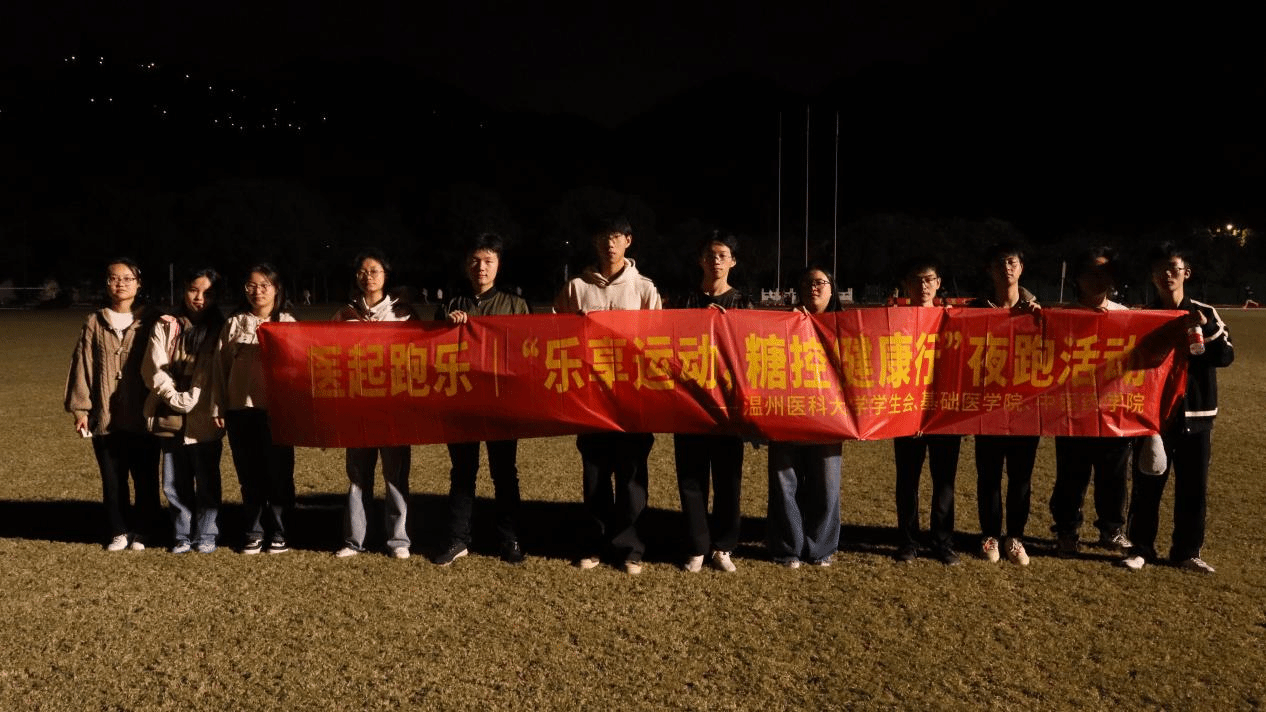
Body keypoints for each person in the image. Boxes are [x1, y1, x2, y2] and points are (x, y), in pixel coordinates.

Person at [554, 215, 662, 574]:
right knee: (596, 474)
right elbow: (554, 334)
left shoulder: (644, 288)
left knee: (632, 475)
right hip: (591, 398)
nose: (609, 243)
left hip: (631, 398)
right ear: (595, 242)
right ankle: (595, 542)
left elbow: (658, 342)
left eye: (616, 236)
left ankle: (630, 547)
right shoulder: (576, 288)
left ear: (628, 241)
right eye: (603, 236)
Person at [1122, 242, 1233, 573]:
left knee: (1193, 488)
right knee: (1147, 485)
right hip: (1153, 416)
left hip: (1196, 416)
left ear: (1186, 273)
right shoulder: (1145, 316)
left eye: (1173, 268)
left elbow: (1226, 356)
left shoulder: (1204, 312)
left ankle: (1187, 551)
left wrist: (1205, 329)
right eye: (1160, 269)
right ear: (1152, 276)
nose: (1167, 274)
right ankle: (1141, 548)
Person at [432, 233, 532, 566]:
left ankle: (510, 538)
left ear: (499, 265)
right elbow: (431, 351)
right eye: (475, 261)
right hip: (462, 401)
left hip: (502, 401)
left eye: (488, 261)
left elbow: (528, 350)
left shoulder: (514, 305)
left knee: (504, 472)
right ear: (466, 265)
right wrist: (446, 328)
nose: (481, 267)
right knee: (462, 471)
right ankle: (457, 538)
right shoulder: (451, 305)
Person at [64, 258, 162, 551]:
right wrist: (81, 409)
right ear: (107, 284)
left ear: (138, 284)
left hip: (143, 413)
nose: (120, 283)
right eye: (114, 278)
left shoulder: (153, 320)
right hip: (105, 414)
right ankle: (119, 530)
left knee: (145, 477)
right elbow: (82, 364)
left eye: (127, 278)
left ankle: (144, 530)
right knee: (112, 478)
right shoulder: (95, 322)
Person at [331, 249, 417, 560]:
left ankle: (398, 539)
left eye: (375, 271)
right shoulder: (344, 314)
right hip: (357, 405)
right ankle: (355, 539)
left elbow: (420, 353)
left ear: (386, 275)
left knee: (395, 475)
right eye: (363, 272)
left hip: (393, 405)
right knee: (357, 475)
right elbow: (328, 352)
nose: (369, 277)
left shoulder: (403, 314)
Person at [674, 231, 750, 573]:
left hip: (727, 407)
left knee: (727, 480)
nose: (716, 261)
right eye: (710, 255)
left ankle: (723, 546)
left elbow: (753, 347)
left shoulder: (743, 303)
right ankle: (697, 545)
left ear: (733, 261)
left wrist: (728, 325)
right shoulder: (684, 300)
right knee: (691, 479)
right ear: (700, 260)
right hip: (690, 402)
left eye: (722, 255)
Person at [1049, 248, 1132, 557]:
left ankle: (1112, 530)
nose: (1097, 280)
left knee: (1114, 477)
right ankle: (1067, 531)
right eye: (1091, 273)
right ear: (1078, 278)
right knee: (1071, 476)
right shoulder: (1062, 316)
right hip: (1073, 412)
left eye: (1104, 273)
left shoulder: (1125, 315)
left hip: (1113, 411)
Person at [212, 264, 297, 554]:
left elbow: (299, 367)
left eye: (264, 285)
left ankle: (280, 531)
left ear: (276, 289)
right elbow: (220, 367)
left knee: (279, 474)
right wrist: (218, 405)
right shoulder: (234, 323)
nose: (257, 291)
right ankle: (253, 530)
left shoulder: (287, 323)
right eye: (251, 285)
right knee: (249, 475)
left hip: (276, 411)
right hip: (240, 409)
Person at [142, 268, 226, 554]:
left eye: (208, 293)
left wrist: (194, 396)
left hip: (206, 414)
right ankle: (181, 535)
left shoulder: (221, 328)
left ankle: (207, 534)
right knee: (174, 483)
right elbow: (154, 365)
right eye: (194, 290)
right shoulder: (166, 324)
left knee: (207, 479)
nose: (199, 298)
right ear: (183, 290)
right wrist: (172, 395)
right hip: (170, 413)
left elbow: (218, 371)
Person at [968, 242, 1041, 566]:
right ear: (989, 269)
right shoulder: (974, 309)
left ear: (1021, 268)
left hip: (1025, 408)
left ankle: (1015, 536)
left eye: (1012, 262)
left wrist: (1039, 320)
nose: (1006, 268)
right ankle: (990, 535)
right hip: (988, 406)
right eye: (1000, 263)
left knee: (1021, 477)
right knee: (988, 475)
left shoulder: (1037, 311)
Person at [766, 265, 843, 569]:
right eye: (808, 282)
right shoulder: (783, 322)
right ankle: (789, 546)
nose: (814, 287)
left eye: (821, 282)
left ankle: (820, 547)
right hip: (789, 413)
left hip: (829, 416)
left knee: (826, 484)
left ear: (832, 288)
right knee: (785, 482)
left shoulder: (845, 326)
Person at [892, 258, 962, 565]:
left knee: (944, 480)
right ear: (906, 285)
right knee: (907, 480)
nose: (923, 285)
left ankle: (942, 541)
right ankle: (908, 541)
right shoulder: (894, 321)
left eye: (929, 279)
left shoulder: (953, 318)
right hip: (907, 411)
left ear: (938, 283)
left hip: (943, 412)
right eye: (917, 280)